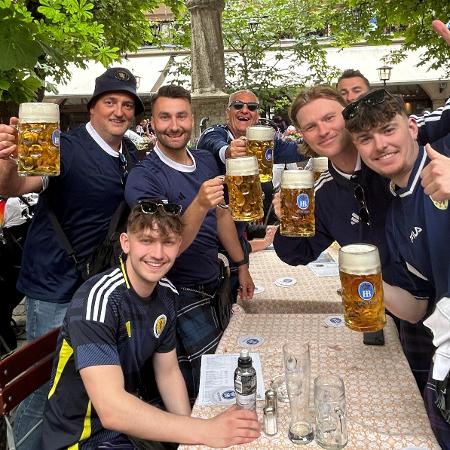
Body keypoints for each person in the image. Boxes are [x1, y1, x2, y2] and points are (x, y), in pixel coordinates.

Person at [272, 84, 450, 395]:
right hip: (405, 305)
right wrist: (286, 219)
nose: (323, 130)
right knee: (421, 402)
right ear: (302, 135)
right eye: (311, 126)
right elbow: (297, 253)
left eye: (330, 118)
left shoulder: (400, 152)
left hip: (434, 298)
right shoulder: (325, 192)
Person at [0, 67, 143, 449]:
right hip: (54, 287)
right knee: (44, 382)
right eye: (110, 102)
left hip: (97, 289)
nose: (119, 111)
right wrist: (6, 160)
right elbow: (14, 184)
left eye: (127, 104)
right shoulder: (61, 145)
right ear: (93, 107)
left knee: (85, 379)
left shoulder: (129, 152)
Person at [41, 202, 260, 450]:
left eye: (168, 242)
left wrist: (190, 439)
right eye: (146, 240)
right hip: (83, 438)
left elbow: (168, 373)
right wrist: (204, 430)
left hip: (128, 431)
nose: (157, 253)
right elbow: (112, 409)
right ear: (126, 243)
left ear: (179, 246)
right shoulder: (99, 299)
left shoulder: (166, 294)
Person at [125, 85, 254, 401]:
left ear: (192, 118)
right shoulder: (144, 176)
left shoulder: (205, 161)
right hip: (176, 295)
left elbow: (222, 217)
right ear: (152, 123)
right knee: (208, 389)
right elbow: (161, 251)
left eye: (181, 116)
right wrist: (197, 204)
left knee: (230, 368)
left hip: (215, 284)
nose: (174, 125)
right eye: (164, 117)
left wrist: (242, 265)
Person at [344, 87, 450, 450]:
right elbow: (418, 306)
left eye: (388, 130)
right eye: (365, 139)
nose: (380, 145)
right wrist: (367, 281)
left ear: (413, 128)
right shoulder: (395, 214)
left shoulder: (447, 157)